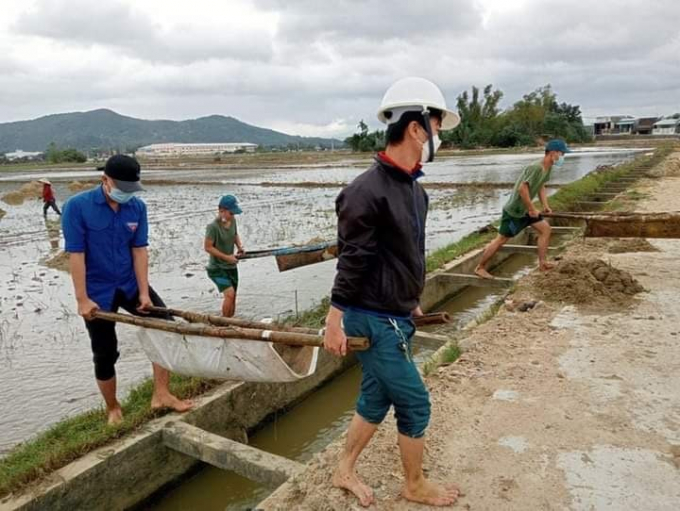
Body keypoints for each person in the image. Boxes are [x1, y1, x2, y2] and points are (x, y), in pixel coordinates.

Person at [323, 77, 461, 507]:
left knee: (375, 397)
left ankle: (343, 468)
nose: (438, 135)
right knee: (415, 404)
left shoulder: (414, 192)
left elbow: (403, 253)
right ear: (416, 128)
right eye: (436, 126)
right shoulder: (364, 192)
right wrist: (334, 319)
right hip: (373, 317)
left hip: (396, 311)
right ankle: (414, 485)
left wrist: (411, 299)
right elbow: (354, 258)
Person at [62, 154, 193, 426]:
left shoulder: (137, 208)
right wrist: (82, 299)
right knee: (105, 351)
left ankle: (162, 393)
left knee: (164, 327)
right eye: (121, 188)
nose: (126, 195)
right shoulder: (77, 207)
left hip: (129, 283)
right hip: (97, 291)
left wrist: (144, 293)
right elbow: (76, 255)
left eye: (130, 189)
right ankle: (112, 408)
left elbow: (139, 250)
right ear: (105, 181)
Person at [474, 139, 571, 279]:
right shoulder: (536, 167)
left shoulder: (547, 168)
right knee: (501, 240)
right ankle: (480, 267)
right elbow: (522, 189)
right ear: (552, 153)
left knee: (545, 229)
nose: (563, 157)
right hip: (514, 211)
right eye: (562, 154)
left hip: (525, 210)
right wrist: (532, 209)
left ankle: (543, 263)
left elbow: (541, 186)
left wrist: (545, 205)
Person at [204, 195, 244, 317]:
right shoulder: (213, 227)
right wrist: (227, 257)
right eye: (231, 213)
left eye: (233, 213)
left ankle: (231, 321)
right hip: (217, 268)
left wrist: (240, 247)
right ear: (222, 211)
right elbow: (208, 247)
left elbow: (235, 234)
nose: (233, 216)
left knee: (233, 296)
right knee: (229, 294)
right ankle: (224, 324)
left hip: (231, 267)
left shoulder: (233, 221)